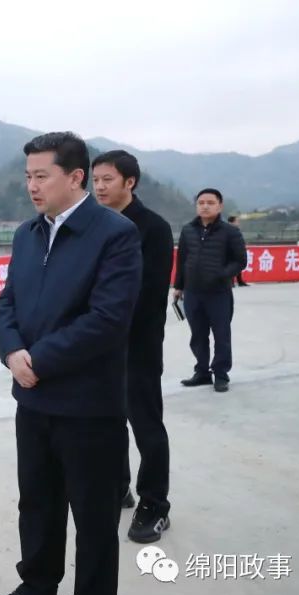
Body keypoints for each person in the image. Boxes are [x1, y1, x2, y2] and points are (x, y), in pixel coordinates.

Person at [0, 132, 142, 595]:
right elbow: (7, 302)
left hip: (88, 408)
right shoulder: (27, 233)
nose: (32, 186)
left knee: (94, 522)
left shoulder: (114, 234)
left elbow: (107, 320)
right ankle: (37, 594)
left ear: (75, 177)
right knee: (36, 506)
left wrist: (40, 361)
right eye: (28, 176)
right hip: (32, 403)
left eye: (42, 176)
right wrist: (12, 352)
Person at [92, 150, 174, 544]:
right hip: (99, 346)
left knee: (146, 425)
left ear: (130, 182)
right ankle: (119, 487)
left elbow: (148, 293)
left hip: (137, 345)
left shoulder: (153, 229)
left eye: (108, 179)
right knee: (107, 421)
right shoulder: (95, 225)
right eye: (96, 180)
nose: (100, 187)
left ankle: (155, 503)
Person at [174, 189, 247, 393]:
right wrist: (178, 286)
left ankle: (221, 374)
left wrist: (221, 274)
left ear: (219, 206)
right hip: (192, 292)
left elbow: (240, 261)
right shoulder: (188, 230)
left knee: (221, 335)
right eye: (201, 202)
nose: (205, 206)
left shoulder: (230, 232)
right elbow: (182, 260)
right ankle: (202, 372)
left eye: (210, 202)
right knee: (198, 335)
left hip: (219, 293)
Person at [227, 216, 249, 287]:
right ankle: (231, 282)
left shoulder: (237, 229)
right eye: (237, 221)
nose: (238, 223)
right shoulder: (227, 229)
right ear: (231, 222)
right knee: (232, 266)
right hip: (231, 251)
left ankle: (240, 281)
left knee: (239, 265)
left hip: (238, 250)